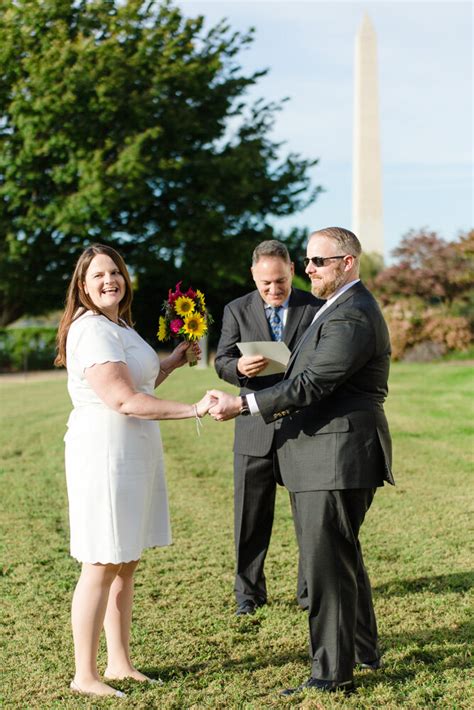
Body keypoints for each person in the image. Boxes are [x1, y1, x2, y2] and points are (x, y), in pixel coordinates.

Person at [208, 227, 394, 696]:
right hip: (325, 454)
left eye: (317, 261)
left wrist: (243, 405)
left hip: (336, 454)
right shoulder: (337, 307)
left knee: (325, 566)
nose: (306, 269)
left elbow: (311, 382)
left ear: (347, 262)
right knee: (341, 554)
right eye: (307, 261)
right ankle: (365, 651)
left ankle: (331, 675)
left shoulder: (352, 314)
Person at [54, 244, 214, 698]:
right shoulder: (92, 331)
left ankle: (120, 663)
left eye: (116, 273)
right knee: (101, 559)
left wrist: (173, 361)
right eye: (100, 275)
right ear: (83, 286)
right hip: (105, 453)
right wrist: (195, 409)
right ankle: (85, 674)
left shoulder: (118, 326)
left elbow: (138, 383)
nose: (110, 281)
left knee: (125, 560)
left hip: (133, 450)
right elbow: (122, 400)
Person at [214, 240, 321, 615]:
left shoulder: (317, 309)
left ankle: (310, 592)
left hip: (304, 430)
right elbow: (222, 360)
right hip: (253, 428)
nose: (273, 290)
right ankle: (248, 593)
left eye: (280, 281)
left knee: (310, 519)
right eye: (265, 284)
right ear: (253, 277)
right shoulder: (236, 309)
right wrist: (237, 370)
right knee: (249, 518)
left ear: (292, 270)